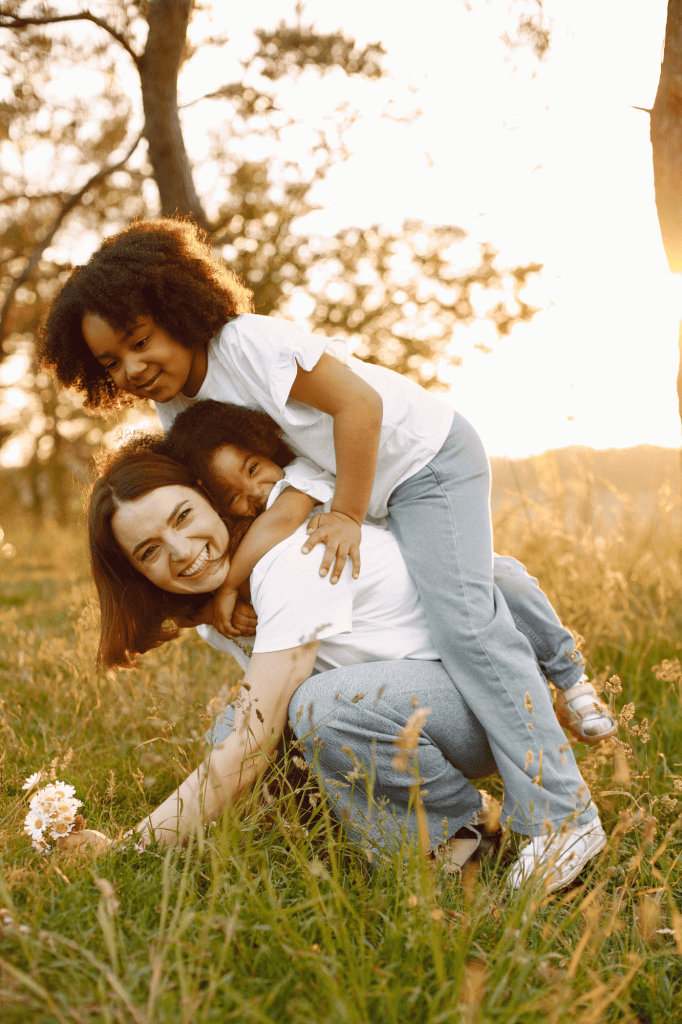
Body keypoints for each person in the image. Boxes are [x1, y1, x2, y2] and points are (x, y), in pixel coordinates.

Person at [38, 218, 616, 747]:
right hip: (343, 482)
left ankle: (558, 757)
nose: (132, 369)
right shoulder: (174, 409)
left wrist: (341, 516)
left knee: (463, 623)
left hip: (418, 459)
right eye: (111, 363)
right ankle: (503, 621)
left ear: (178, 311)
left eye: (139, 342)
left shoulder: (247, 343)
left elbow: (359, 406)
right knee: (467, 578)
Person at [82, 441, 608, 892]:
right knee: (246, 723)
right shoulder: (215, 611)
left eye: (183, 516)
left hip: (489, 700)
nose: (181, 551)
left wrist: (123, 851)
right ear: (134, 574)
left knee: (318, 709)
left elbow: (250, 742)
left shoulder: (292, 560)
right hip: (419, 699)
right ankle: (349, 842)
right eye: (150, 551)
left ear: (210, 497)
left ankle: (464, 841)